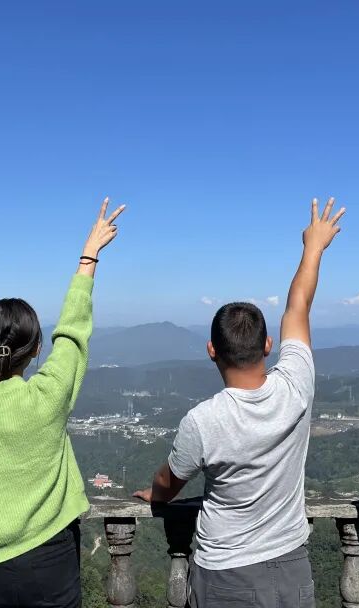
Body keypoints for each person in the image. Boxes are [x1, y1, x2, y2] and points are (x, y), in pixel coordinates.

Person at [134, 198, 346, 608]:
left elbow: (168, 483)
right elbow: (298, 306)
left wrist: (155, 494)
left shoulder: (203, 420)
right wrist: (314, 247)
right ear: (268, 346)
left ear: (211, 350)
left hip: (225, 573)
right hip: (292, 565)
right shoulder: (296, 386)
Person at [0, 198, 125, 608]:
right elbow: (73, 333)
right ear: (38, 348)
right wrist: (89, 256)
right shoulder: (47, 396)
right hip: (53, 559)